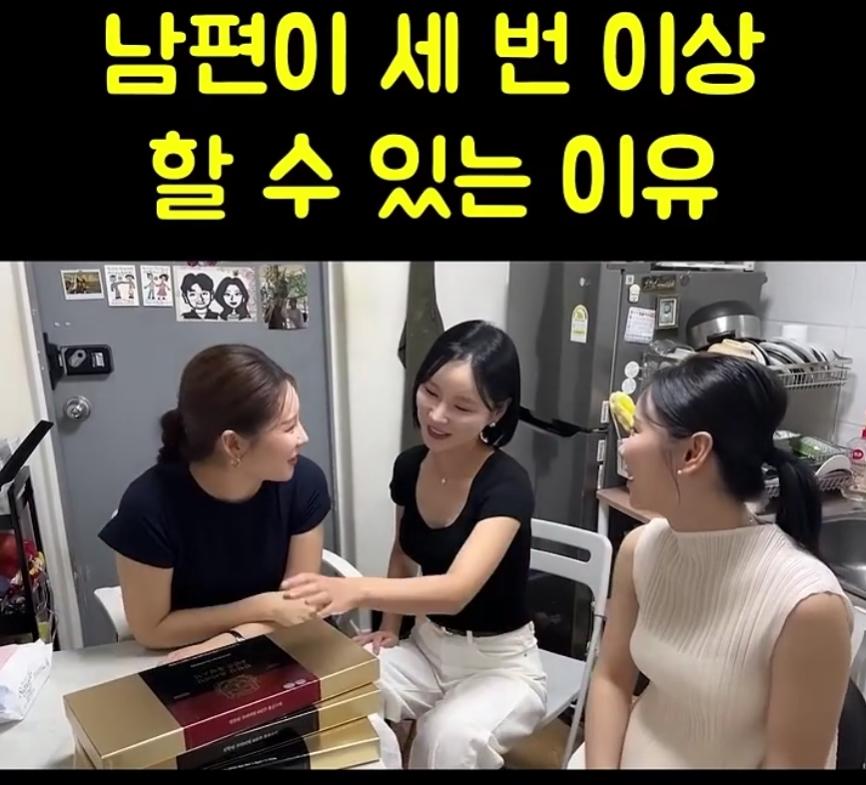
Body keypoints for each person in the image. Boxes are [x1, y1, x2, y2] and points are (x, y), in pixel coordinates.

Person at [283, 320, 548, 769]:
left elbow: (456, 590)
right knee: (335, 690)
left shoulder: (507, 485)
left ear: (497, 412)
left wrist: (356, 590)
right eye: (430, 392)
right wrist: (390, 627)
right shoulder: (410, 466)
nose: (437, 415)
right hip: (426, 646)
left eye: (462, 406)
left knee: (444, 739)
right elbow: (403, 550)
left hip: (499, 664)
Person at [577, 353, 852, 769]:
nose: (625, 447)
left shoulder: (807, 605)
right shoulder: (640, 550)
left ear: (693, 452)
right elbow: (612, 678)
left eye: (636, 431)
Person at [99, 344, 331, 662]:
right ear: (233, 444)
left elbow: (296, 610)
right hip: (183, 658)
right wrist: (260, 607)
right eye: (289, 427)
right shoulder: (148, 507)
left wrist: (225, 640)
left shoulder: (304, 483)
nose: (303, 437)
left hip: (277, 647)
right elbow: (152, 630)